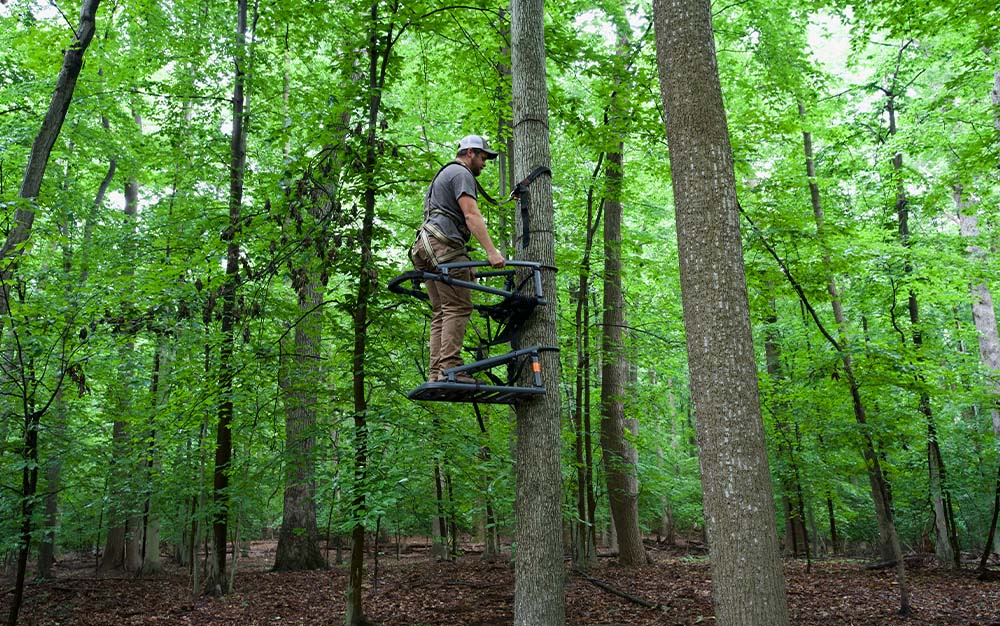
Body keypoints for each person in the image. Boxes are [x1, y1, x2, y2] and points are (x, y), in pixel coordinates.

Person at [410, 135, 507, 383]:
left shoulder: (445, 175)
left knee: (442, 311)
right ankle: (451, 369)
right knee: (458, 306)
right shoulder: (461, 174)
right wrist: (491, 251)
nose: (485, 164)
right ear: (470, 153)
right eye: (483, 157)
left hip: (425, 248)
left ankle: (437, 373)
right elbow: (471, 215)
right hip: (443, 247)